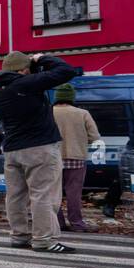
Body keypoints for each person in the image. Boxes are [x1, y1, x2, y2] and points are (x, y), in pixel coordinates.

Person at [0, 51, 82, 252]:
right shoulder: (26, 83)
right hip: (40, 147)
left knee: (15, 196)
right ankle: (44, 239)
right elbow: (66, 71)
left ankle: (19, 236)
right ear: (23, 70)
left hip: (13, 149)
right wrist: (42, 59)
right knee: (43, 195)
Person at [51, 83, 99, 232]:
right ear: (71, 98)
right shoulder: (82, 113)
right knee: (74, 192)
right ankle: (77, 223)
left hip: (52, 158)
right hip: (76, 157)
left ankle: (58, 223)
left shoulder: (47, 112)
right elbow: (94, 137)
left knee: (53, 192)